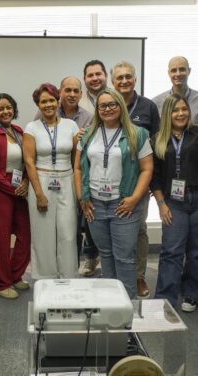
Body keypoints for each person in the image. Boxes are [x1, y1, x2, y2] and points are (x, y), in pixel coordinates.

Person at [74, 89, 153, 299]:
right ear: (98, 110)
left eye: (112, 104)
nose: (107, 109)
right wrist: (82, 197)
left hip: (124, 204)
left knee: (125, 257)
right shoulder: (88, 133)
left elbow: (147, 169)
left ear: (120, 106)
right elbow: (79, 168)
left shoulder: (138, 134)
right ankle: (111, 302)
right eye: (103, 106)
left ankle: (128, 305)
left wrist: (135, 199)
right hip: (95, 204)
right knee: (106, 255)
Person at [151, 94, 198, 312]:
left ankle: (192, 293)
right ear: (167, 114)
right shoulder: (157, 140)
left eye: (184, 109)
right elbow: (155, 177)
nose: (181, 114)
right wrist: (161, 204)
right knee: (171, 250)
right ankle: (165, 298)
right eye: (175, 110)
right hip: (174, 202)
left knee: (197, 250)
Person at [111, 61, 159, 299]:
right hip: (109, 183)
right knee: (113, 230)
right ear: (113, 82)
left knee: (139, 230)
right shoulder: (108, 105)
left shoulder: (148, 107)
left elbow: (159, 144)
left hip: (139, 182)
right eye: (119, 78)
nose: (124, 81)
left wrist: (152, 181)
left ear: (135, 79)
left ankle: (138, 276)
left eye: (128, 77)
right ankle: (114, 277)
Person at [23, 83, 80, 279]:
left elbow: (78, 158)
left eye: (51, 100)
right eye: (43, 101)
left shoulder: (71, 126)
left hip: (67, 180)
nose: (48, 105)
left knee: (68, 233)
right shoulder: (32, 127)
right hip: (42, 179)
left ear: (58, 101)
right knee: (43, 235)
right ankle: (44, 278)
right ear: (38, 105)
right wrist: (39, 193)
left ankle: (69, 276)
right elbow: (29, 161)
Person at [0, 93, 31, 299]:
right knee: (0, 239)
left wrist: (26, 182)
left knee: (26, 235)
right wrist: (15, 188)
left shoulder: (19, 132)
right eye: (0, 108)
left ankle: (14, 275)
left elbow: (29, 160)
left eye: (8, 107)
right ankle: (0, 283)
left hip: (20, 188)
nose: (5, 111)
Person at [78, 60, 109, 277]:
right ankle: (90, 257)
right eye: (90, 75)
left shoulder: (114, 100)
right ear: (85, 79)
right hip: (82, 165)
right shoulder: (78, 102)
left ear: (105, 75)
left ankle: (109, 261)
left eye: (98, 73)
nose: (95, 78)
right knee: (87, 216)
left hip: (108, 167)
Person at [152, 56, 198, 124]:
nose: (178, 74)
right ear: (169, 73)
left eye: (182, 69)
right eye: (174, 70)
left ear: (189, 71)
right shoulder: (156, 102)